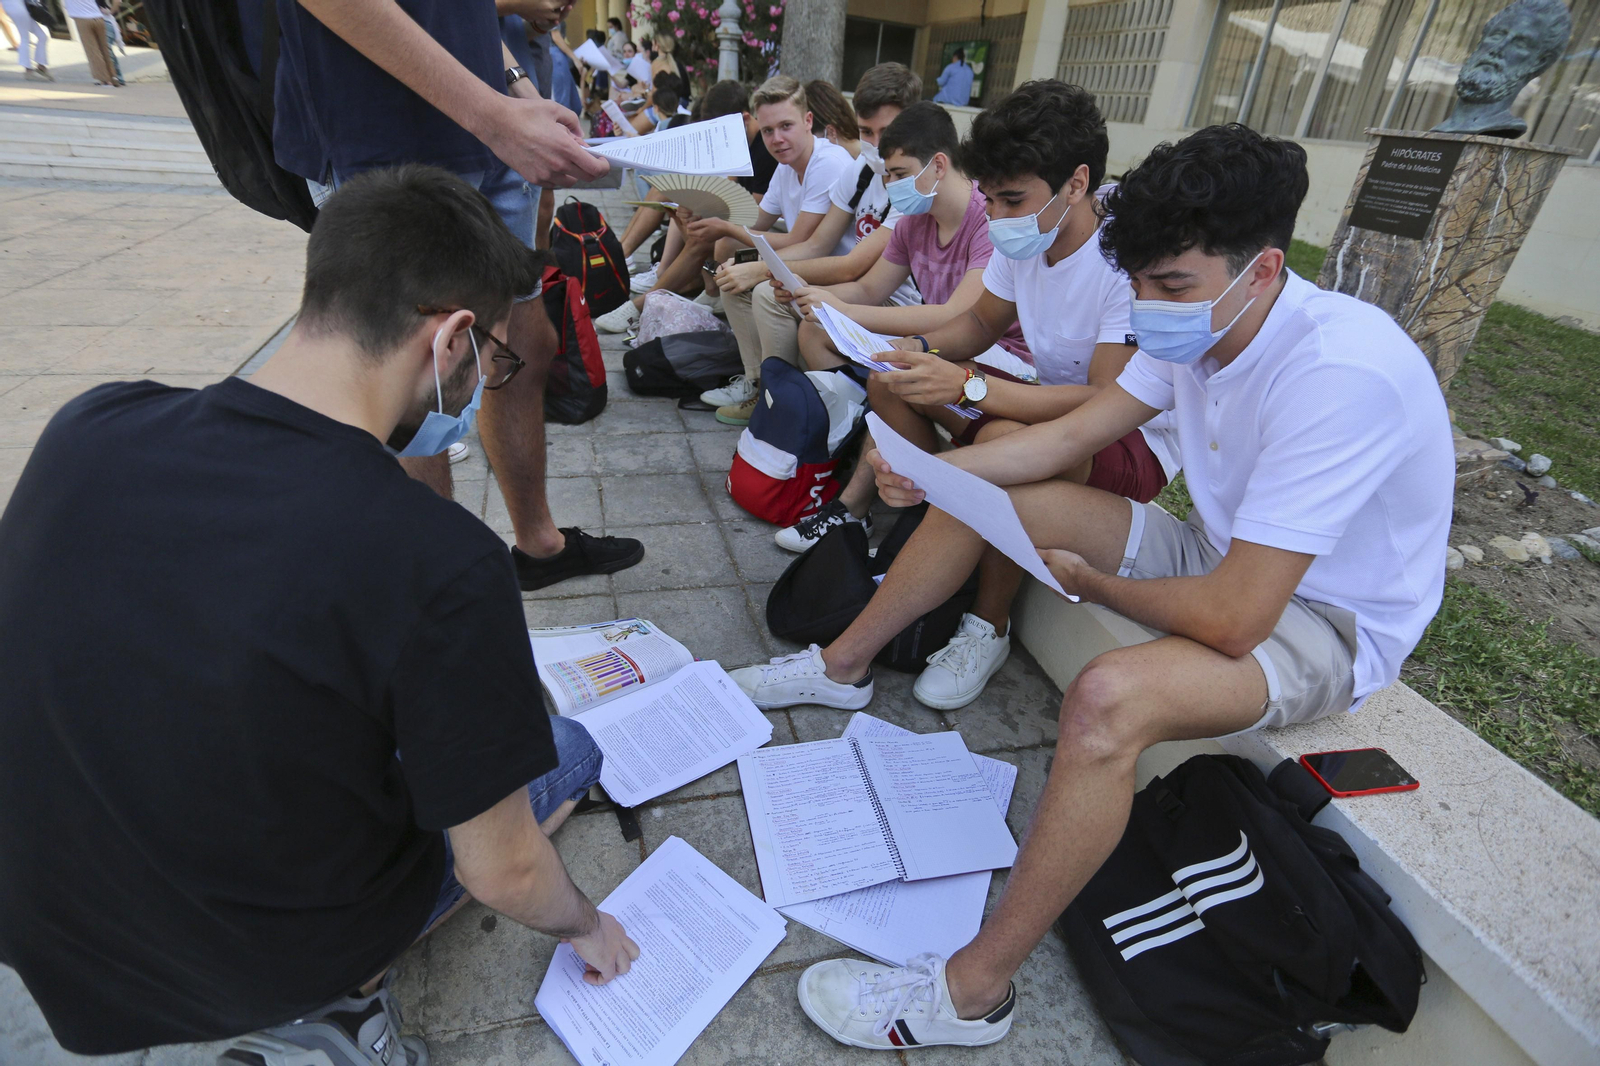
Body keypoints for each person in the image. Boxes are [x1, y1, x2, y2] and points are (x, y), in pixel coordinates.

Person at [756, 123, 1458, 1049]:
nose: (1150, 309)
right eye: (1141, 286)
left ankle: (972, 993)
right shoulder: (1194, 313)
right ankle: (842, 665)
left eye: (1172, 287)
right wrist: (935, 476)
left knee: (1106, 701)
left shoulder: (1340, 375)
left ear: (1264, 271)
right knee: (988, 492)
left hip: (1323, 622)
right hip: (1221, 552)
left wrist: (1092, 582)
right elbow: (1069, 437)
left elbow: (1236, 617)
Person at [0, 167, 641, 1065]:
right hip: (245, 966)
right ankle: (338, 1002)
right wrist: (588, 926)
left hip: (40, 917)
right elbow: (503, 871)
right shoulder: (442, 560)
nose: (482, 386)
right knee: (570, 750)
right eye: (494, 360)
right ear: (451, 339)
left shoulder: (93, 423)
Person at [764, 82, 1178, 713]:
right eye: (990, 197)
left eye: (1013, 199)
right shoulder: (1027, 235)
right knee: (892, 380)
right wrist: (916, 352)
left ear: (1076, 183)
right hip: (1050, 401)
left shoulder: (1122, 262)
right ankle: (930, 526)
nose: (998, 214)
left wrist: (969, 387)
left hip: (1129, 440)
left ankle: (988, 623)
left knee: (1003, 452)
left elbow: (1102, 402)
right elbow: (980, 324)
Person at [271, 0, 642, 592]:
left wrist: (513, 84)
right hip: (385, 131)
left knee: (521, 340)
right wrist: (491, 114)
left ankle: (537, 545)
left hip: (491, 130)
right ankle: (439, 573)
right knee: (415, 373)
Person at [772, 101, 1028, 551]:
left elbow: (960, 315)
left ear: (939, 165)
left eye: (899, 173)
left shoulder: (986, 219)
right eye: (887, 174)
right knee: (818, 331)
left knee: (898, 369)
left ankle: (854, 507)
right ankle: (867, 462)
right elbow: (869, 288)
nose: (891, 185)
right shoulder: (914, 221)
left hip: (1000, 353)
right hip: (947, 344)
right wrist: (811, 295)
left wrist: (844, 310)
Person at [697, 66, 920, 425]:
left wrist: (761, 269)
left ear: (808, 121)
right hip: (856, 284)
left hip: (888, 298)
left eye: (886, 131)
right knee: (746, 278)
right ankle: (765, 389)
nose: (877, 143)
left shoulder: (908, 180)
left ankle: (782, 402)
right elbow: (816, 244)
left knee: (767, 291)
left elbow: (848, 265)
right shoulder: (863, 168)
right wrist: (724, 229)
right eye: (866, 131)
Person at [65, 0, 120, 85]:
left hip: (82, 19)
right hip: (98, 17)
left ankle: (105, 80)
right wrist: (110, 11)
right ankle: (113, 76)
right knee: (105, 49)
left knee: (92, 50)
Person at [0, 0, 50, 81]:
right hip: (16, 8)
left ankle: (40, 66)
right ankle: (28, 70)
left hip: (16, 8)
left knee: (42, 36)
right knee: (25, 37)